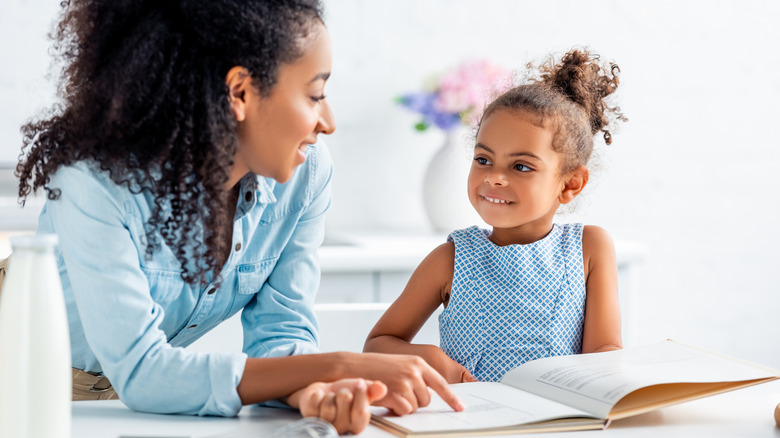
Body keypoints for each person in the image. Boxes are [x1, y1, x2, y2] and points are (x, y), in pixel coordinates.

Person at [14, 0, 463, 434]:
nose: (328, 121)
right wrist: (340, 364)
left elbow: (281, 331)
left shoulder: (305, 176)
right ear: (240, 92)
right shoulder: (95, 180)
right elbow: (142, 370)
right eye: (315, 94)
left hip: (149, 412)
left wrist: (309, 391)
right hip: (22, 394)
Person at [364, 48, 626, 383]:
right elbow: (377, 346)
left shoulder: (590, 248)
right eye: (484, 160)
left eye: (520, 166)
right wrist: (430, 358)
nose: (494, 177)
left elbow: (604, 353)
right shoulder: (452, 258)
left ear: (570, 183)